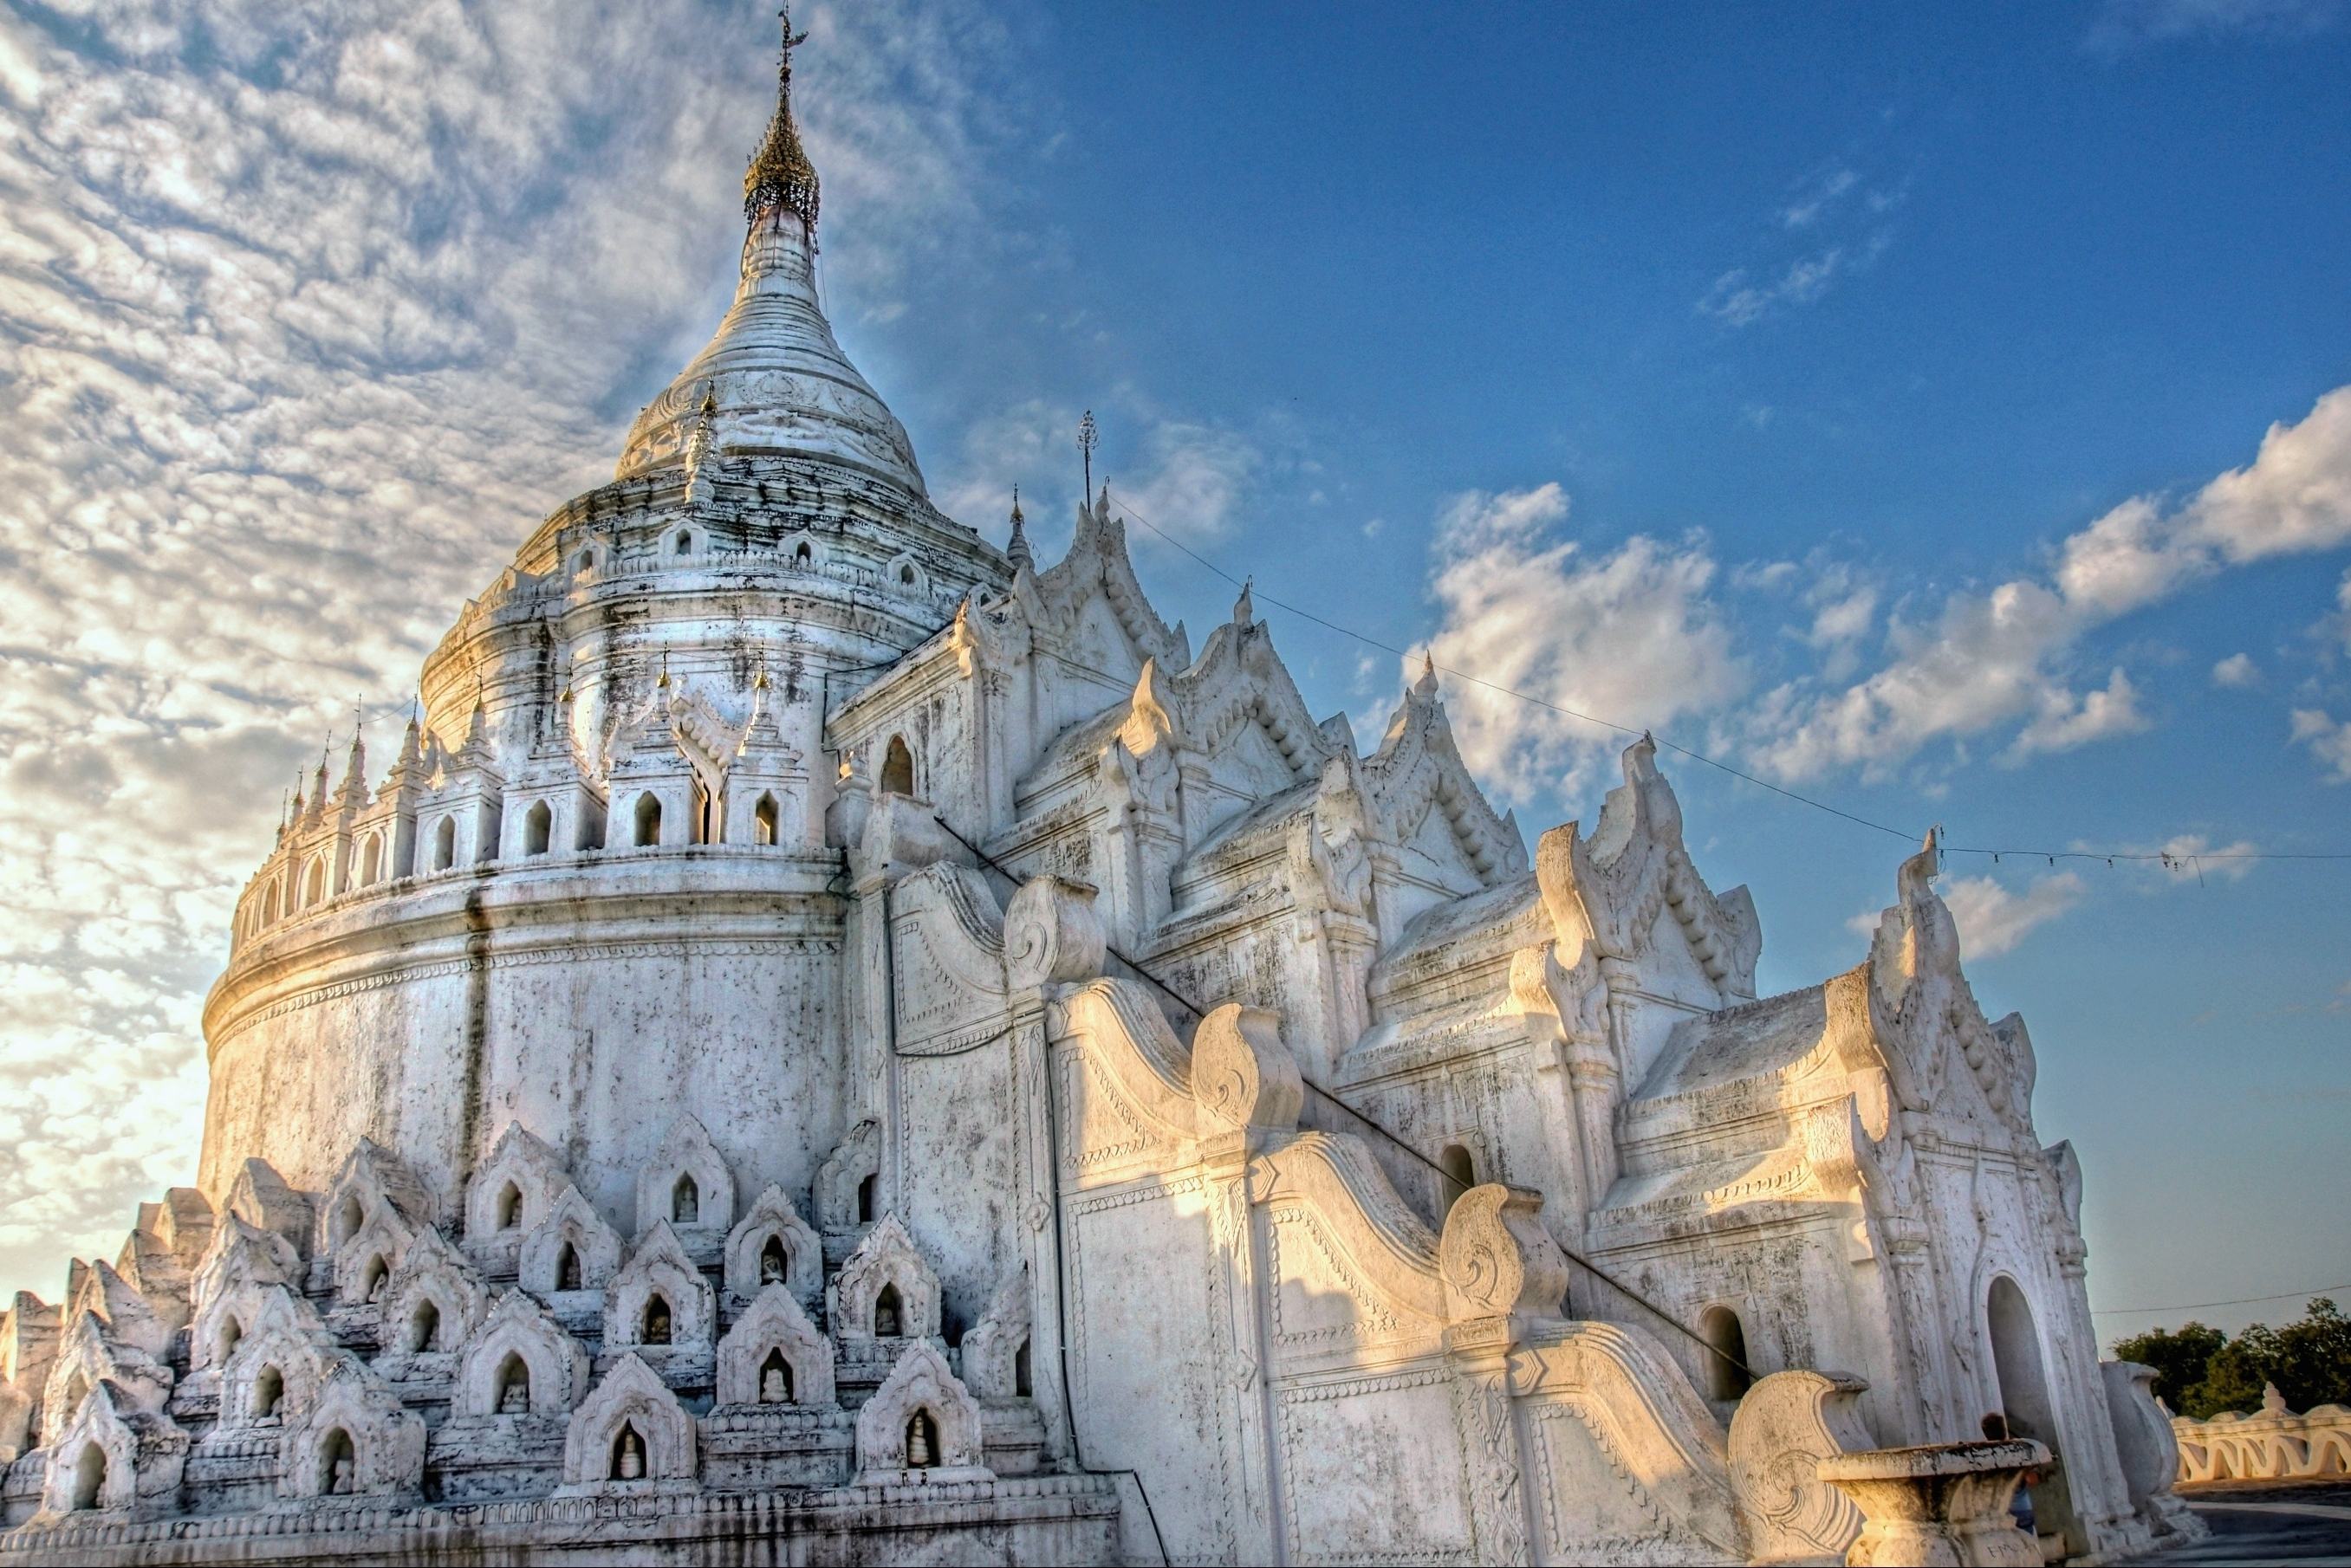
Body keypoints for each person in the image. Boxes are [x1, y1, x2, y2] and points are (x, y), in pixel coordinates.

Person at [1983, 1413, 2036, 1539]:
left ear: (1985, 1433)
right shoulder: (2018, 1451)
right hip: (2022, 1509)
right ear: (2004, 1428)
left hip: (1998, 1512)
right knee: (2028, 1543)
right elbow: (2032, 1479)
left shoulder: (1984, 1456)